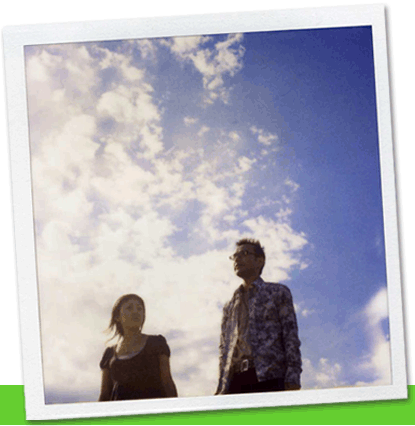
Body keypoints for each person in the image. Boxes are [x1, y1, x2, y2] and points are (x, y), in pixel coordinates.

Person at [215, 238, 302, 395]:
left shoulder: (278, 293)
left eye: (244, 253)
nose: (237, 259)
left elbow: (290, 337)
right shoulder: (229, 306)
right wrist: (221, 386)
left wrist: (293, 377)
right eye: (235, 256)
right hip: (235, 383)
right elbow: (223, 349)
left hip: (270, 378)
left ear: (259, 261)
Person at [99, 294, 178, 401]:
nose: (136, 312)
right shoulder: (109, 353)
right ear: (117, 317)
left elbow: (167, 382)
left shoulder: (156, 343)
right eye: (129, 308)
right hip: (122, 410)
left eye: (140, 309)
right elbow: (104, 395)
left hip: (153, 409)